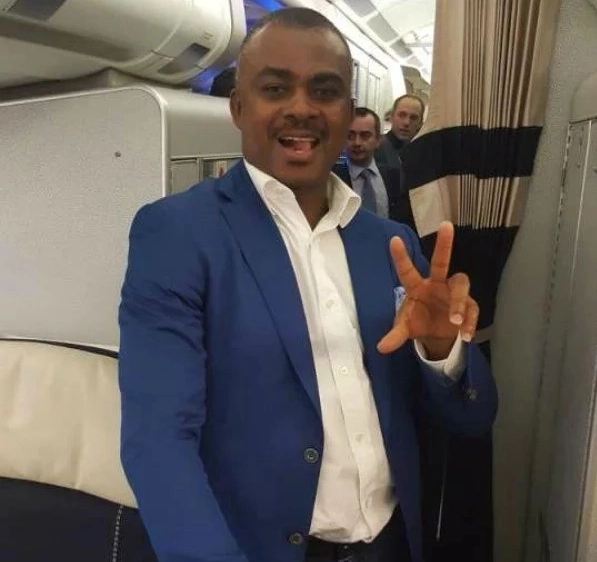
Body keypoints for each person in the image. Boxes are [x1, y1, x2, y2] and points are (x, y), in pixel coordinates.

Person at [118, 8, 497, 562]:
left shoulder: (391, 246)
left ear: (348, 112)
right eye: (276, 89)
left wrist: (443, 352)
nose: (302, 108)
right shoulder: (180, 235)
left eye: (325, 91)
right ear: (238, 108)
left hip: (394, 545)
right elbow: (157, 442)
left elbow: (471, 417)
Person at [333, 106, 415, 227]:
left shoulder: (394, 176)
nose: (357, 143)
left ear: (378, 140)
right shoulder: (332, 179)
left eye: (365, 136)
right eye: (350, 135)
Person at [376, 94, 425, 170]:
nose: (407, 122)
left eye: (413, 118)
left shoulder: (422, 154)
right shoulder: (374, 147)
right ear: (391, 117)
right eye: (402, 115)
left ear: (420, 123)